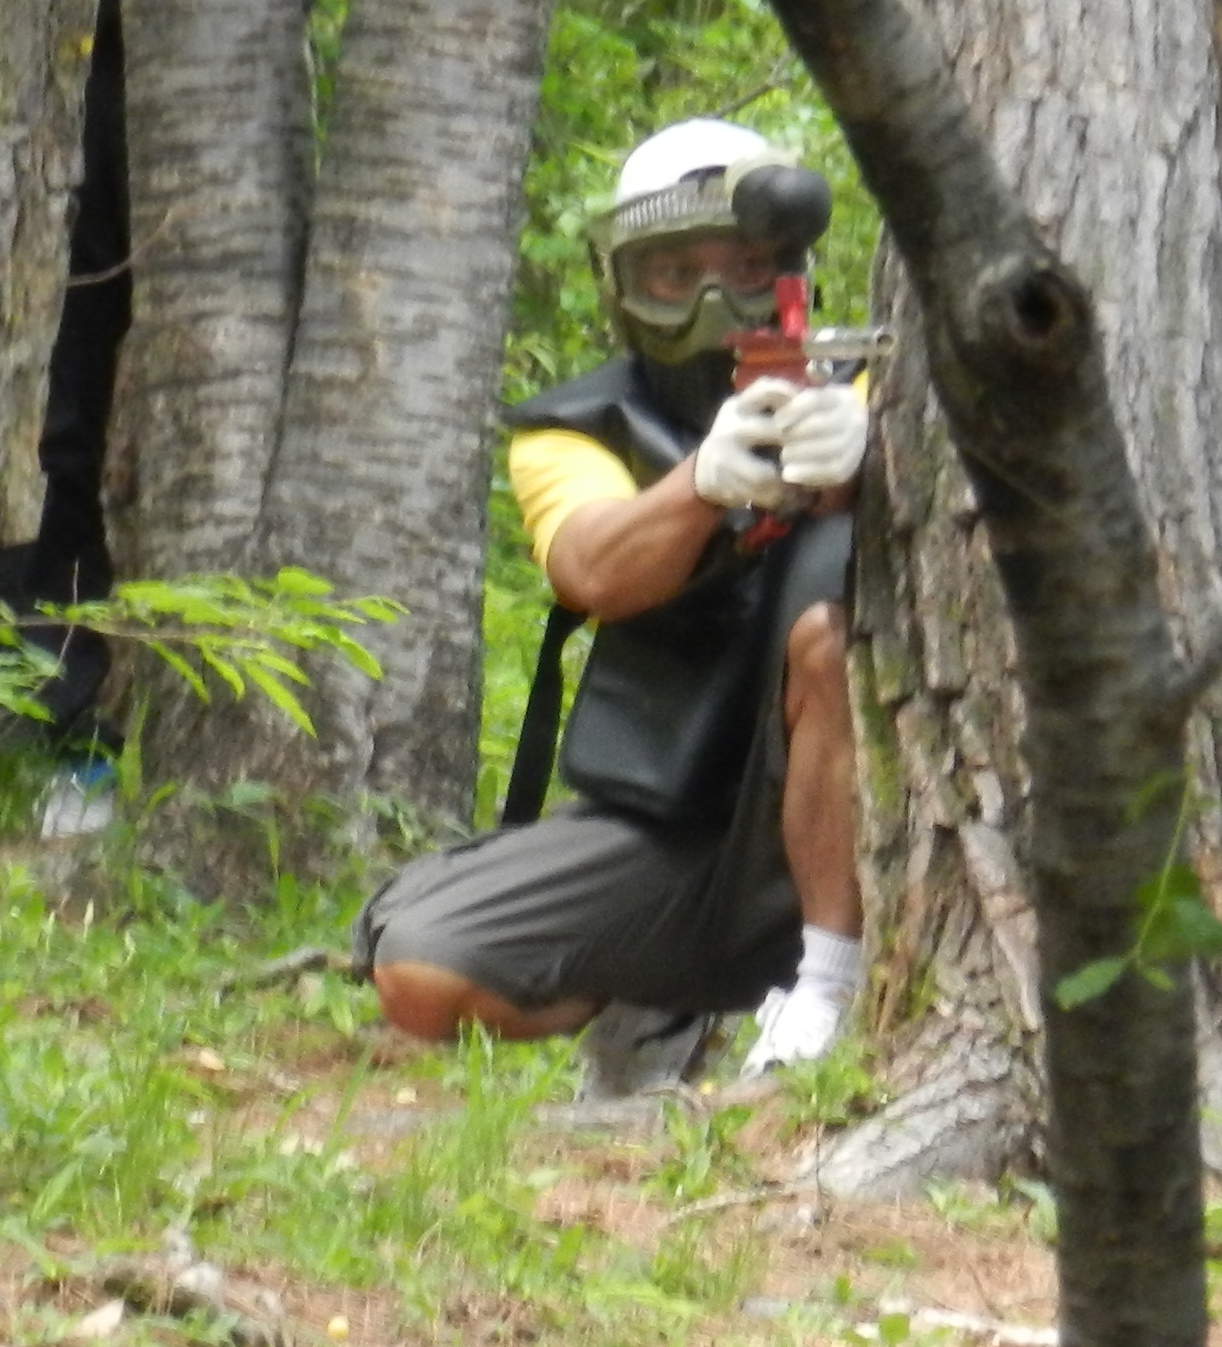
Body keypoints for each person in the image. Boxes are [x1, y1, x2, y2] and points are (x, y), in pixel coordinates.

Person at [0, 0, 387, 828]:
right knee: (39, 387)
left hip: (202, 25)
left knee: (181, 382)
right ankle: (43, 722)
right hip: (12, 1)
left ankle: (142, 731)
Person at [354, 119, 872, 1079]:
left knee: (828, 632)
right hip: (673, 830)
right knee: (425, 967)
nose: (717, 299)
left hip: (862, 819)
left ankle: (833, 985)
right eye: (676, 274)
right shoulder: (576, 428)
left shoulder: (873, 387)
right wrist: (704, 485)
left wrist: (872, 449)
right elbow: (590, 568)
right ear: (626, 285)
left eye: (749, 265)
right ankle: (663, 998)